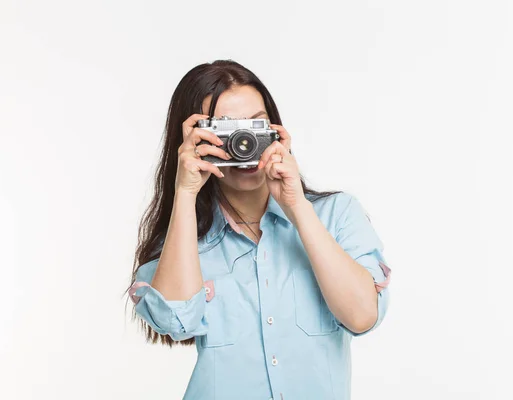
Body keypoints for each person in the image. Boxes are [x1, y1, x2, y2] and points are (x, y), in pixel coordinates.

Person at [127, 59, 391, 400]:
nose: (243, 144)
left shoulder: (336, 214)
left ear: (276, 131)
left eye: (255, 127)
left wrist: (297, 207)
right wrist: (186, 192)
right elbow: (177, 322)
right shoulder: (185, 238)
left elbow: (362, 316)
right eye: (226, 132)